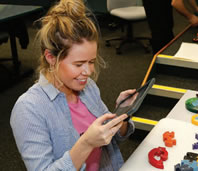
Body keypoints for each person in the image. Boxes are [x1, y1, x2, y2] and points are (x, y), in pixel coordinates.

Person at [10, 0, 137, 170]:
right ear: (51, 58)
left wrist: (122, 113)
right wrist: (86, 143)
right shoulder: (29, 109)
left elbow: (116, 138)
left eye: (91, 62)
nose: (88, 71)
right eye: (79, 64)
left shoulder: (88, 87)